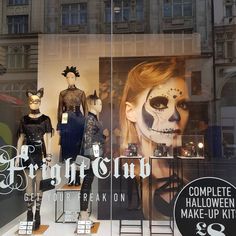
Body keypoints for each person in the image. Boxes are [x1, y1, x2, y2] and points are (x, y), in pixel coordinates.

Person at [119, 58, 190, 218]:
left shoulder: (187, 177)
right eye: (159, 103)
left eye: (182, 104)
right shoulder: (125, 178)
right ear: (130, 112)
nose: (176, 116)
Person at [16, 88, 53, 230]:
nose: (34, 103)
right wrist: (18, 155)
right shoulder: (24, 119)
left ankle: (37, 212)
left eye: (37, 101)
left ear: (40, 101)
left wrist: (48, 155)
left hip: (39, 152)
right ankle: (29, 212)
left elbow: (48, 139)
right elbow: (21, 138)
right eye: (32, 101)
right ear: (28, 102)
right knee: (28, 184)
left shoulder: (45, 119)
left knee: (39, 182)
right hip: (26, 152)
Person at [57, 66, 88, 185]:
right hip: (67, 122)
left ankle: (78, 178)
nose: (70, 79)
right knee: (68, 150)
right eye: (68, 77)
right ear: (65, 79)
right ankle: (70, 178)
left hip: (78, 122)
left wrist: (87, 126)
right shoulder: (62, 93)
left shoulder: (81, 93)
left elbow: (86, 109)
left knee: (78, 149)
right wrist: (59, 126)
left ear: (75, 78)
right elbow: (59, 110)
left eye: (72, 77)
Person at [79, 91, 105, 220]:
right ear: (93, 104)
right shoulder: (90, 119)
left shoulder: (93, 119)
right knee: (87, 183)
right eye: (99, 103)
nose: (101, 105)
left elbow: (94, 137)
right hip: (91, 157)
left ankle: (84, 212)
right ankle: (83, 214)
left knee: (88, 183)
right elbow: (88, 140)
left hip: (94, 156)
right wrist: (94, 158)